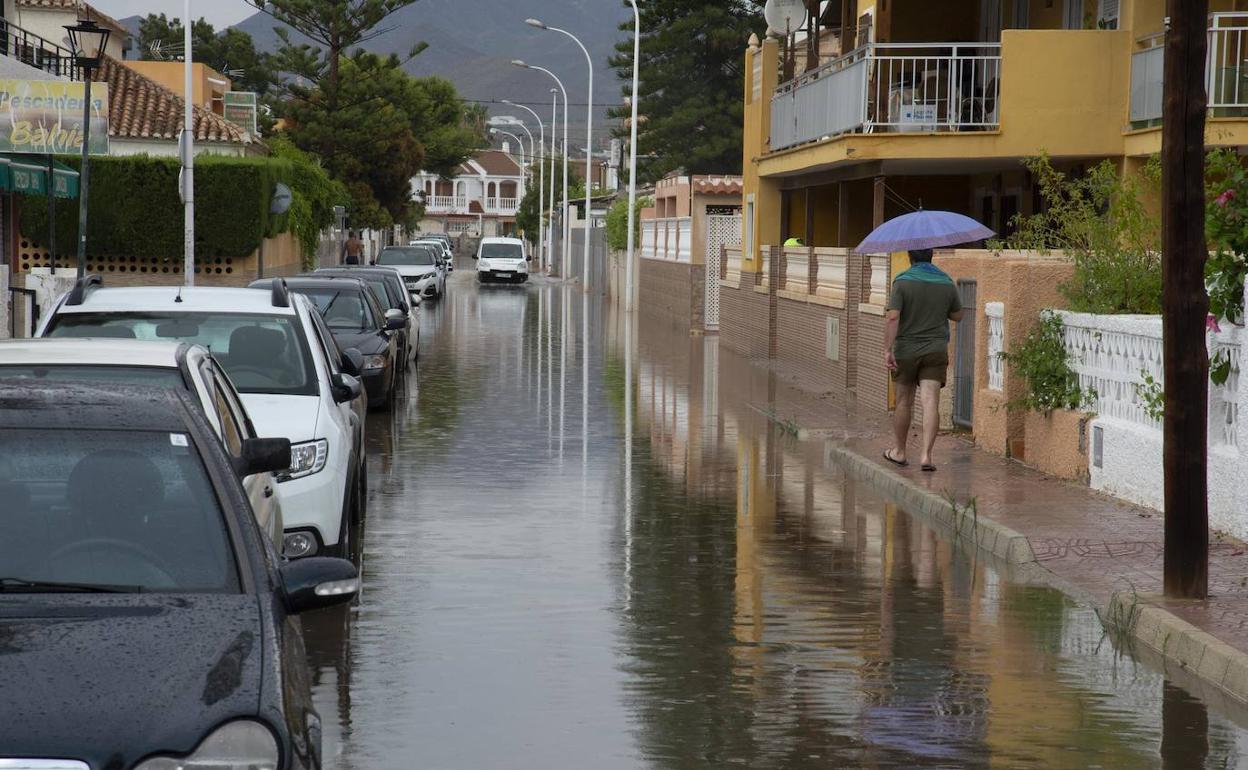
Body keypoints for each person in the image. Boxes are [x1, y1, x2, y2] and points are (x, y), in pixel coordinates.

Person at [882, 248, 964, 472]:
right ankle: (927, 456)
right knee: (930, 403)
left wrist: (887, 349)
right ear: (931, 257)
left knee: (903, 402)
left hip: (906, 350)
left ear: (910, 258)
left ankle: (899, 452)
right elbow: (958, 315)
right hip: (936, 350)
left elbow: (893, 317)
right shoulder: (946, 282)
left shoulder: (902, 282)